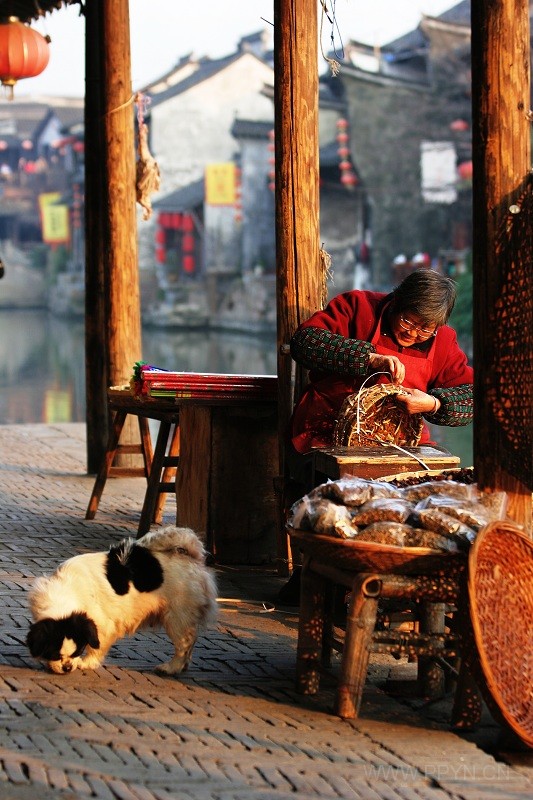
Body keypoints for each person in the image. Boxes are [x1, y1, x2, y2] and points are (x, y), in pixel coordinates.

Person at [288, 269, 473, 455]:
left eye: (425, 330)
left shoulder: (443, 340)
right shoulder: (358, 307)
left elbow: (474, 396)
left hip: (404, 442)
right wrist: (368, 358)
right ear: (395, 302)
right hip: (329, 430)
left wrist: (434, 404)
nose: (413, 333)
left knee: (440, 476)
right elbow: (305, 342)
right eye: (407, 322)